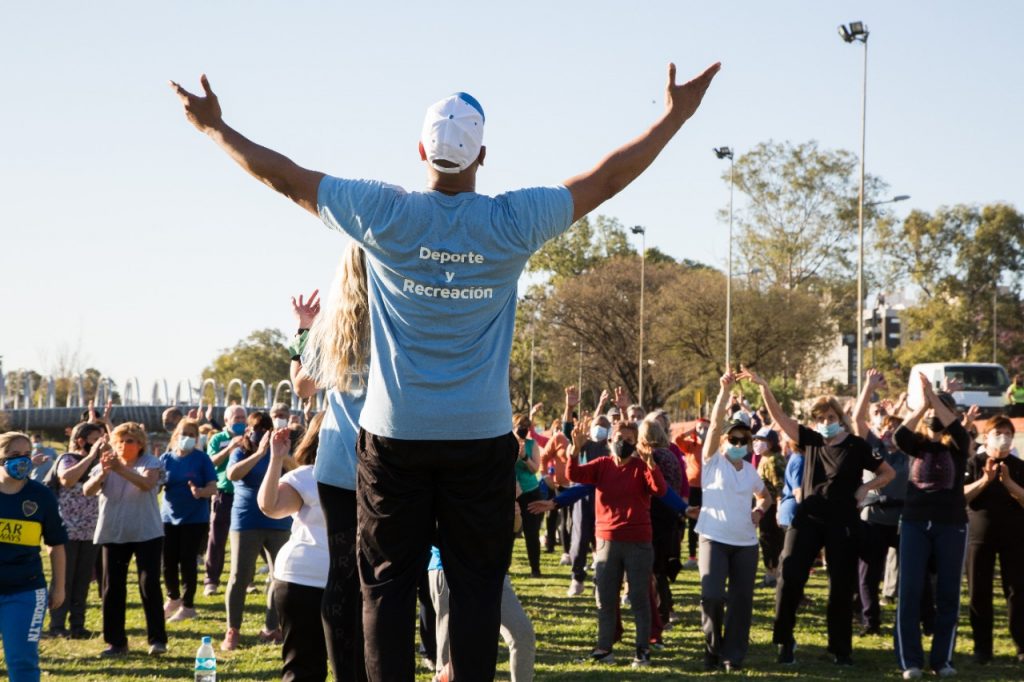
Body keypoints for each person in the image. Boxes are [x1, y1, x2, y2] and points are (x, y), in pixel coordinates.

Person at [171, 59, 719, 680]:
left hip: (393, 440)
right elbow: (609, 179)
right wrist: (675, 116)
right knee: (478, 587)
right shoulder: (512, 221)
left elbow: (284, 178)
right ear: (483, 154)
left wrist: (215, 128)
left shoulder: (384, 212)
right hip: (479, 439)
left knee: (385, 587)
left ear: (420, 150)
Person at [739, 367, 895, 666]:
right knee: (790, 575)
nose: (826, 423)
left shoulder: (856, 445)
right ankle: (784, 641)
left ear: (839, 418)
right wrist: (764, 387)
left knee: (840, 584)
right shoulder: (810, 440)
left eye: (831, 418)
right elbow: (782, 419)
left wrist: (865, 488)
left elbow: (888, 472)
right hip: (807, 518)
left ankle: (840, 649)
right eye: (821, 419)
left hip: (843, 522)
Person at [290, 243, 371, 682]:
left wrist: (302, 333)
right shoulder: (405, 315)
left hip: (340, 463)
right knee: (388, 575)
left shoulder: (333, 327)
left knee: (342, 574)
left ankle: (347, 674)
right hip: (389, 464)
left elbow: (302, 388)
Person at [566, 415, 667, 668]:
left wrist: (650, 462)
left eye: (630, 440)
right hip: (606, 542)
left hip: (638, 542)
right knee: (606, 598)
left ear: (637, 443)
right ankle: (604, 648)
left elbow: (660, 490)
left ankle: (642, 650)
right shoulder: (601, 464)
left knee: (639, 597)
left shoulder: (642, 466)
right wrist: (574, 449)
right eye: (620, 439)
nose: (624, 443)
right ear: (610, 440)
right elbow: (573, 473)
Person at [892, 373, 970, 679]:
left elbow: (955, 428)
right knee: (910, 591)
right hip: (913, 523)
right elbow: (899, 436)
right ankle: (910, 660)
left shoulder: (960, 446)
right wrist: (922, 406)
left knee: (948, 594)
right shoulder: (917, 444)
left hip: (951, 525)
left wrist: (936, 399)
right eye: (933, 411)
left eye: (942, 411)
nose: (937, 416)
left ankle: (942, 660)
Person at [693, 372, 772, 672]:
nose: (739, 442)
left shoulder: (751, 471)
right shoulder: (712, 461)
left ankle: (733, 655)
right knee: (711, 595)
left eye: (745, 439)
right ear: (725, 440)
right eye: (734, 438)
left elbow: (765, 497)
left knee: (741, 601)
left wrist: (758, 512)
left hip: (745, 545)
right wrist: (723, 393)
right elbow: (714, 425)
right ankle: (712, 648)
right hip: (713, 539)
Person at [83, 422, 167, 657]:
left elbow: (147, 484)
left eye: (129, 441)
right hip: (113, 532)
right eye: (119, 441)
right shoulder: (106, 464)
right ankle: (116, 642)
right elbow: (87, 490)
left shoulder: (150, 463)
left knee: (149, 584)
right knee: (112, 588)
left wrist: (120, 469)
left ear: (140, 444)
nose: (123, 445)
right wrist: (103, 472)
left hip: (146, 532)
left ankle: (157, 640)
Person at [258, 420, 330, 682]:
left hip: (351, 580)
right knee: (303, 668)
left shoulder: (371, 471)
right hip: (302, 579)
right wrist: (276, 459)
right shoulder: (307, 476)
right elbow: (271, 507)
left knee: (356, 664)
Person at [222, 411, 293, 651]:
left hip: (278, 521)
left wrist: (279, 452)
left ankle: (271, 627)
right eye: (256, 429)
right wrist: (261, 453)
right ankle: (233, 629)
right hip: (246, 520)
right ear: (248, 432)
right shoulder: (241, 452)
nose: (261, 433)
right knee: (240, 576)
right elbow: (232, 475)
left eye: (266, 429)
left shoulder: (280, 452)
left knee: (279, 576)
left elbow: (298, 468)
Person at [0, 431, 67, 682]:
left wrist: (58, 587)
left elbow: (56, 545)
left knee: (22, 662)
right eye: (14, 455)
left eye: (26, 455)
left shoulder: (41, 496)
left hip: (25, 591)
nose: (22, 461)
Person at [850, 370, 911, 637]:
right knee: (868, 574)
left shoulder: (911, 451)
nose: (891, 430)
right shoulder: (874, 447)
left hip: (901, 520)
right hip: (873, 516)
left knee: (912, 572)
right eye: (887, 426)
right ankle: (869, 621)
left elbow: (918, 424)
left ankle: (915, 619)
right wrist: (868, 386)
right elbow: (857, 418)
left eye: (896, 427)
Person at [963, 415, 1024, 665]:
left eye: (1007, 433)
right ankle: (982, 648)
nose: (1003, 437)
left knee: (1017, 592)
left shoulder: (1018, 466)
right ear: (985, 437)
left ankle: (1021, 645)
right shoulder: (974, 463)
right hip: (979, 537)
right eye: (997, 433)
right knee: (979, 591)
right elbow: (961, 496)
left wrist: (1009, 482)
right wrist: (985, 481)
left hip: (1015, 537)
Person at [48, 422, 103, 639]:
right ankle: (57, 625)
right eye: (95, 439)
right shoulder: (68, 459)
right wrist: (90, 458)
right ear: (82, 441)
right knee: (64, 579)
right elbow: (67, 479)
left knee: (82, 580)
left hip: (91, 531)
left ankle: (78, 625)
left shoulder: (100, 463)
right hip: (67, 530)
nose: (99, 443)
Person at [160, 418, 218, 622]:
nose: (188, 438)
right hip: (168, 517)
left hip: (194, 519)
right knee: (167, 561)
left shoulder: (202, 459)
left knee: (187, 561)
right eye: (184, 434)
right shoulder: (166, 458)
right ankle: (173, 597)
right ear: (176, 435)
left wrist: (200, 492)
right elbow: (155, 484)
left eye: (192, 435)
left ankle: (188, 605)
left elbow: (213, 487)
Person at [204, 404, 247, 597]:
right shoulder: (218, 439)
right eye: (236, 418)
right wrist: (230, 447)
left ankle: (248, 580)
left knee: (247, 538)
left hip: (244, 493)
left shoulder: (250, 437)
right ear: (227, 420)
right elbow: (210, 462)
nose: (240, 421)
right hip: (224, 493)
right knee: (217, 538)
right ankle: (211, 580)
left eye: (242, 417)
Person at [753, 427, 785, 588]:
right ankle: (771, 573)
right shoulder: (766, 459)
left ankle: (772, 574)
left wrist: (779, 507)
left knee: (770, 539)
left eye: (761, 441)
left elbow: (779, 485)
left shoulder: (772, 460)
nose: (756, 444)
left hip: (771, 507)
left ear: (770, 443)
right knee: (768, 539)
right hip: (767, 505)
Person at [675, 418, 708, 569]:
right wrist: (692, 430)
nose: (703, 431)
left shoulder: (714, 447)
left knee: (707, 521)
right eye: (700, 428)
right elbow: (677, 439)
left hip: (709, 488)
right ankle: (692, 556)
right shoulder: (691, 446)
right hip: (693, 487)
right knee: (693, 521)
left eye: (706, 428)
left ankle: (706, 554)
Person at [513, 413, 544, 577]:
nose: (523, 429)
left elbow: (535, 469)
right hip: (512, 493)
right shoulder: (507, 443)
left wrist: (525, 457)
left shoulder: (533, 444)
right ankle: (504, 569)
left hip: (531, 492)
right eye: (520, 425)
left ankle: (535, 569)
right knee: (509, 532)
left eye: (526, 426)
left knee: (532, 532)